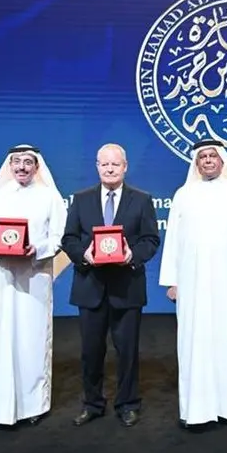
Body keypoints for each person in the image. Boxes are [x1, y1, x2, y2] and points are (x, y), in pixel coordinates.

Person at [159, 139, 227, 430]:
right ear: (196, 162)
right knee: (195, 344)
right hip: (192, 284)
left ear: (222, 161)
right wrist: (171, 281)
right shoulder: (183, 194)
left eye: (212, 156)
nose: (207, 160)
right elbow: (173, 241)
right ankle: (197, 411)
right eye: (202, 156)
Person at [61, 143, 160, 428]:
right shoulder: (80, 200)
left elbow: (150, 240)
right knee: (90, 352)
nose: (109, 168)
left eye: (115, 164)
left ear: (125, 166)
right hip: (89, 287)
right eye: (104, 164)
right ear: (96, 166)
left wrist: (132, 256)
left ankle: (128, 404)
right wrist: (85, 255)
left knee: (127, 351)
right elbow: (69, 239)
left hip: (126, 286)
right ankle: (92, 403)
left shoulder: (141, 200)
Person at [0, 144, 67, 427]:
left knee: (31, 341)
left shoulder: (49, 197)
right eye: (16, 162)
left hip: (34, 279)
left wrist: (36, 248)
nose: (21, 167)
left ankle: (33, 406)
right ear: (9, 165)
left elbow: (58, 236)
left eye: (27, 162)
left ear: (36, 166)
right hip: (0, 278)